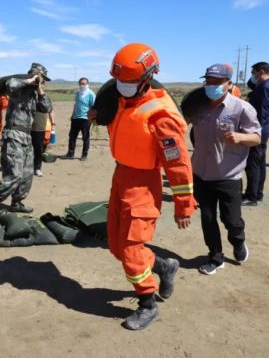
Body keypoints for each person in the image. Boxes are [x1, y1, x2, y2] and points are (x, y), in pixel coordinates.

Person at [97, 43, 196, 331]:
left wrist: (183, 205)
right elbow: (124, 133)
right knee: (116, 245)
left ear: (147, 77)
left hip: (144, 184)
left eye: (128, 82)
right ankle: (165, 267)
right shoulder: (125, 102)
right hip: (121, 178)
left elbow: (178, 166)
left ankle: (147, 304)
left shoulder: (161, 117)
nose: (122, 86)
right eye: (119, 81)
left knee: (130, 249)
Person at [188, 64, 261, 275]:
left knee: (231, 219)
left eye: (217, 82)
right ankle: (215, 257)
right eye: (208, 82)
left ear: (229, 84)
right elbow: (180, 121)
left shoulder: (242, 108)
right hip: (201, 173)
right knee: (208, 219)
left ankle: (238, 242)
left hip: (228, 175)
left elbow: (257, 137)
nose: (211, 86)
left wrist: (240, 137)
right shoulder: (198, 105)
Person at [0, 63, 52, 217]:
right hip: (14, 135)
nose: (42, 81)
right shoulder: (19, 87)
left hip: (27, 137)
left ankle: (16, 202)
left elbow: (46, 108)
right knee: (14, 174)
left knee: (26, 175)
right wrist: (30, 81)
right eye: (42, 78)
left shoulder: (36, 93)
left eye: (43, 80)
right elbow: (9, 84)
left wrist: (41, 91)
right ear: (34, 75)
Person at [242, 62, 269, 206]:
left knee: (253, 164)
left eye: (253, 72)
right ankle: (257, 193)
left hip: (258, 130)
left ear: (261, 71)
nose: (253, 76)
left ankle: (252, 197)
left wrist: (254, 131)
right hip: (263, 129)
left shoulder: (265, 87)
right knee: (260, 163)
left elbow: (262, 112)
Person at [65, 77, 96, 161]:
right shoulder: (77, 93)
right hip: (76, 118)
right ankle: (70, 153)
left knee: (85, 137)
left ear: (87, 84)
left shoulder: (91, 94)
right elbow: (76, 104)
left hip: (86, 119)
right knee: (72, 136)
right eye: (81, 84)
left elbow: (93, 107)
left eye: (84, 83)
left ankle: (84, 155)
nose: (82, 85)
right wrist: (72, 115)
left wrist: (92, 118)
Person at [31, 83, 55, 177]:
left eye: (42, 84)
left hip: (39, 127)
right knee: (26, 149)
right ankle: (26, 167)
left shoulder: (45, 98)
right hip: (26, 126)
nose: (40, 86)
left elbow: (51, 111)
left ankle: (37, 168)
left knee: (38, 149)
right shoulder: (28, 97)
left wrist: (53, 124)